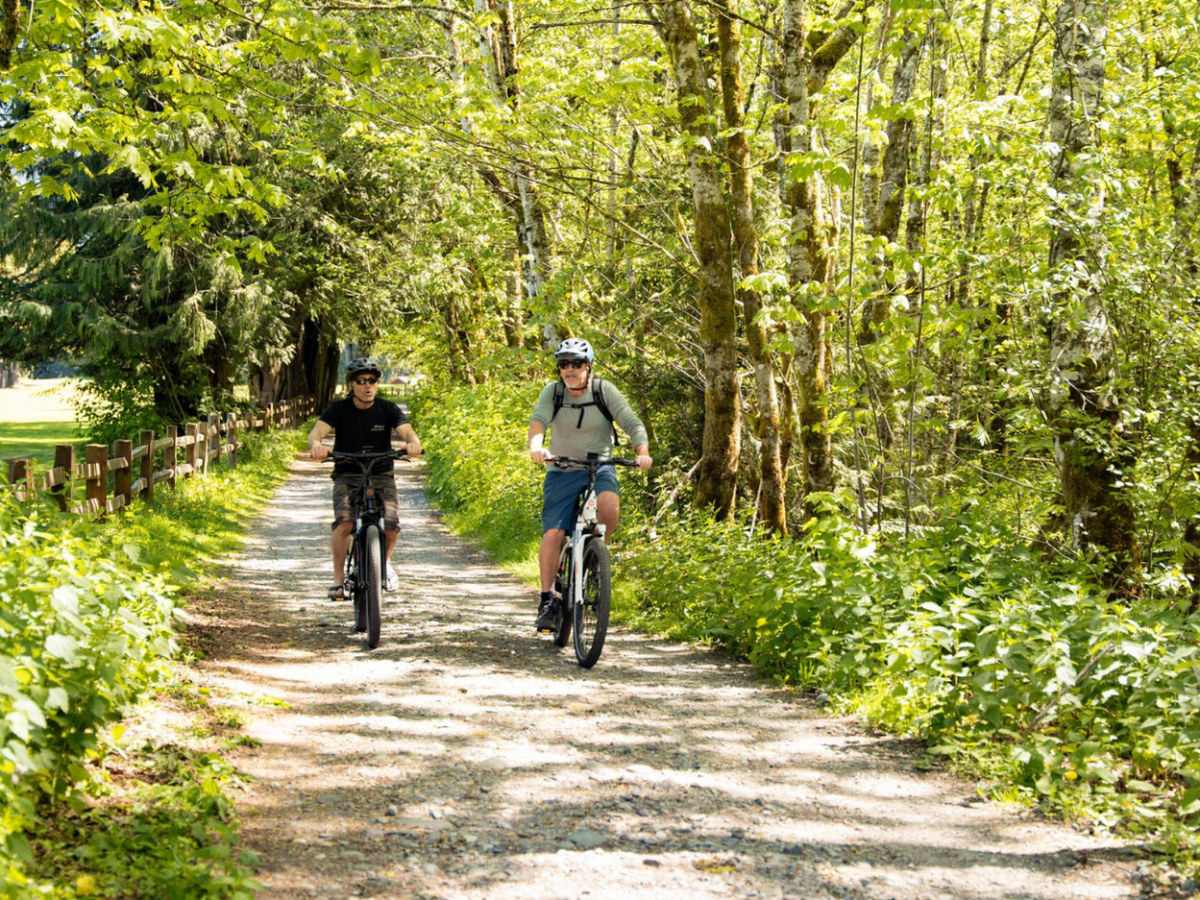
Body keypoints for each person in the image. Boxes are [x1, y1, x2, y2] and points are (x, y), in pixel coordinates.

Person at [527, 338, 651, 631]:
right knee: (554, 531)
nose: (569, 370)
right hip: (562, 467)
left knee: (609, 509)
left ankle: (596, 558)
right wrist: (536, 446)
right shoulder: (554, 392)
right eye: (564, 364)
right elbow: (538, 421)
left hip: (600, 466)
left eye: (576, 364)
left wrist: (642, 453)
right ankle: (547, 598)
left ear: (588, 366)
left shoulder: (603, 390)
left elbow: (632, 423)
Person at [308, 357, 422, 600]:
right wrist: (317, 444)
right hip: (347, 473)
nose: (367, 386)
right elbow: (317, 432)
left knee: (391, 525)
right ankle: (338, 580)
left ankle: (383, 564)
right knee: (345, 523)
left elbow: (407, 431)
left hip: (381, 473)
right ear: (351, 384)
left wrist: (413, 443)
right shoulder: (338, 409)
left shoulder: (388, 409)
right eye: (361, 381)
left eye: (372, 381)